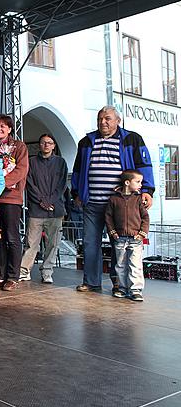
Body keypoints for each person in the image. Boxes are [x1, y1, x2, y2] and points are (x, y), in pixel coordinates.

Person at [71, 106, 154, 292]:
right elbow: (77, 170)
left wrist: (147, 190)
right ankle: (91, 282)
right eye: (100, 118)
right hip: (92, 203)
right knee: (90, 244)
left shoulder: (132, 139)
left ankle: (119, 283)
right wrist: (76, 193)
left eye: (107, 118)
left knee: (120, 245)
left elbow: (144, 165)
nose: (103, 122)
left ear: (118, 120)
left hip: (121, 205)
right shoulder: (86, 142)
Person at [0, 114, 29, 291]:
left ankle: (13, 276)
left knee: (12, 237)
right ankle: (0, 274)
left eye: (3, 126)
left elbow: (21, 170)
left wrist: (0, 183)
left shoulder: (19, 147)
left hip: (11, 197)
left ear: (10, 128)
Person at [20, 133, 68, 284]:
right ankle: (24, 270)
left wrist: (50, 201)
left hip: (56, 210)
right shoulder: (31, 162)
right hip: (36, 209)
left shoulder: (61, 162)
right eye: (43, 142)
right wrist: (42, 201)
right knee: (31, 242)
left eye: (49, 142)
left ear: (54, 145)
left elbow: (62, 185)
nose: (46, 145)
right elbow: (29, 184)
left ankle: (47, 271)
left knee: (52, 244)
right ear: (39, 145)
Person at [105, 169, 150, 301]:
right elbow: (108, 217)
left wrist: (142, 233)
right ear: (127, 182)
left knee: (135, 264)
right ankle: (122, 288)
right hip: (119, 238)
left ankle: (135, 289)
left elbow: (145, 218)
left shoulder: (138, 199)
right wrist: (112, 232)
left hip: (136, 239)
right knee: (120, 264)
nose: (141, 185)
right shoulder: (114, 199)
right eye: (138, 182)